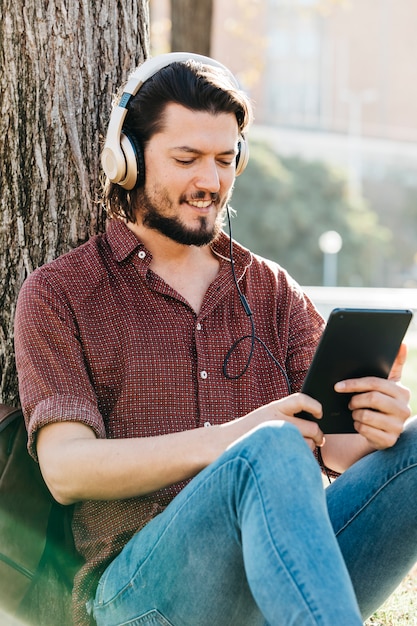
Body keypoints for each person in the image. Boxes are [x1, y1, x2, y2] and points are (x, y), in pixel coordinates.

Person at [14, 52, 417, 626]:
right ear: (127, 158)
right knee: (270, 447)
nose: (211, 182)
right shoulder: (62, 292)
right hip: (142, 597)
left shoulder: (270, 288)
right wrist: (238, 438)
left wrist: (374, 427)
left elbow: (336, 449)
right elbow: (66, 469)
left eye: (226, 160)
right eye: (187, 159)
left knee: (413, 446)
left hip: (279, 576)